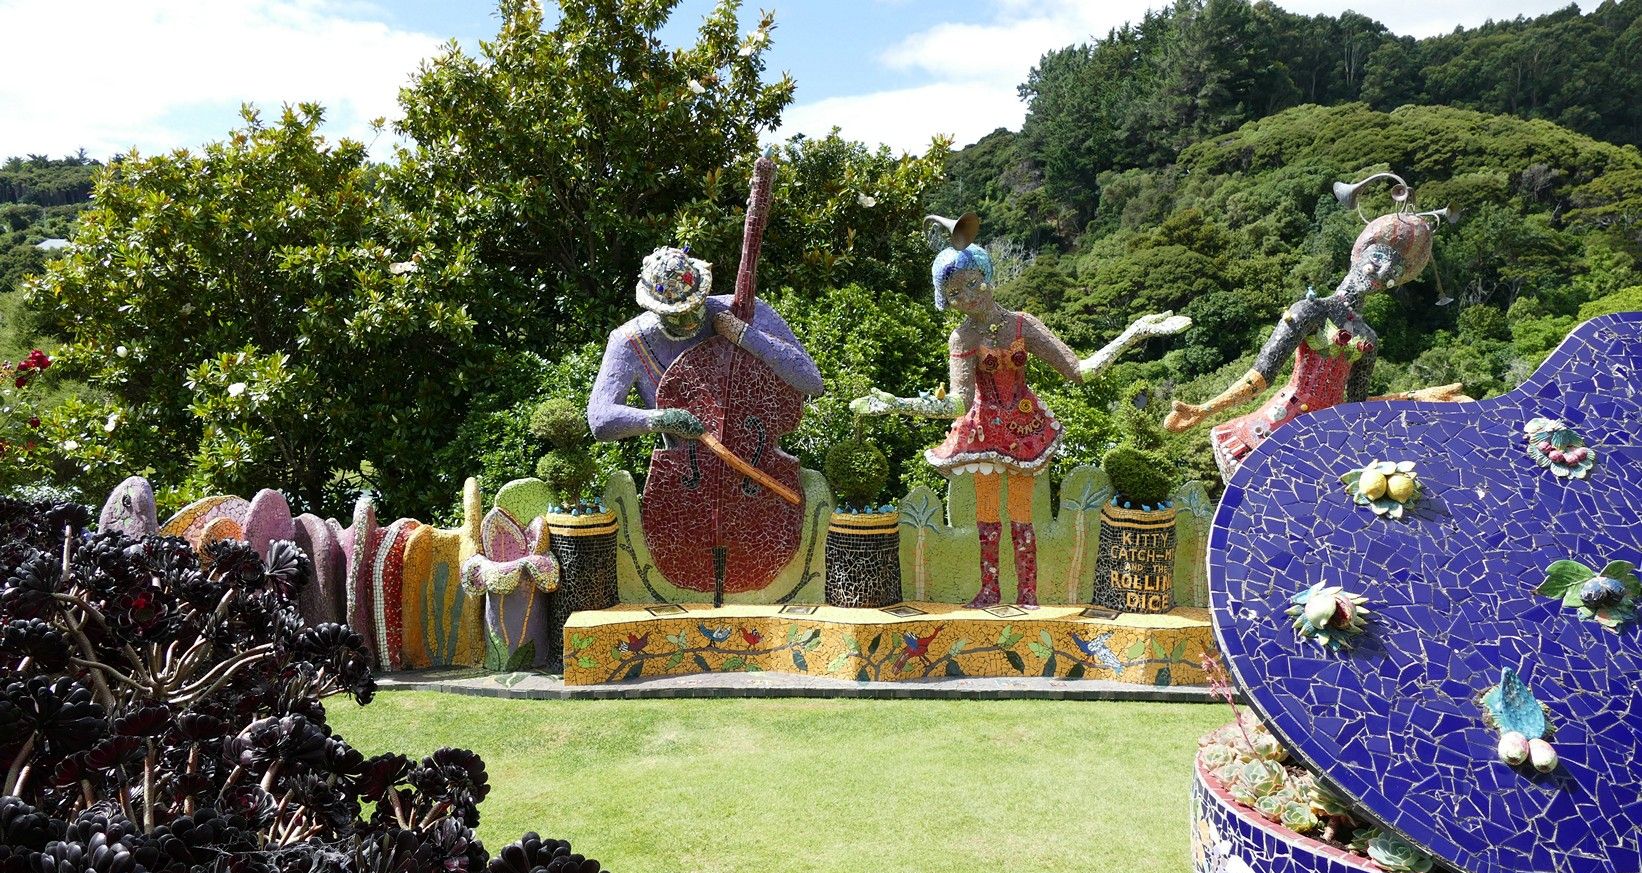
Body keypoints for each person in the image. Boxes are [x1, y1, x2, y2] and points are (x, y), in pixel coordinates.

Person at [853, 214, 1190, 609]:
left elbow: (1080, 371)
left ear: (987, 276)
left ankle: (1028, 591)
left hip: (1025, 427)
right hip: (983, 431)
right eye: (956, 292)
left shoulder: (1022, 325)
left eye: (974, 283)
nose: (969, 296)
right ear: (947, 300)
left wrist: (1134, 333)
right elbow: (958, 402)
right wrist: (900, 404)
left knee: (1022, 514)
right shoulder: (962, 337)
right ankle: (990, 589)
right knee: (986, 516)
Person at [1164, 173, 1464, 479]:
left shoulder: (1368, 339)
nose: (1382, 272)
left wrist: (1420, 397)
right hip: (1278, 425)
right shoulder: (1312, 311)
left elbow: (1357, 407)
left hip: (1327, 439)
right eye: (1378, 260)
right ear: (1358, 256)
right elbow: (1262, 374)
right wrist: (1205, 409)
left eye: (1393, 272)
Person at [587, 245, 822, 444]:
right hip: (690, 470)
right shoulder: (629, 343)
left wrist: (745, 335)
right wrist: (660, 419)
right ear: (655, 309)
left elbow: (812, 382)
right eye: (676, 315)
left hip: (760, 452)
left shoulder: (743, 310)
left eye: (695, 308)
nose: (689, 321)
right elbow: (600, 419)